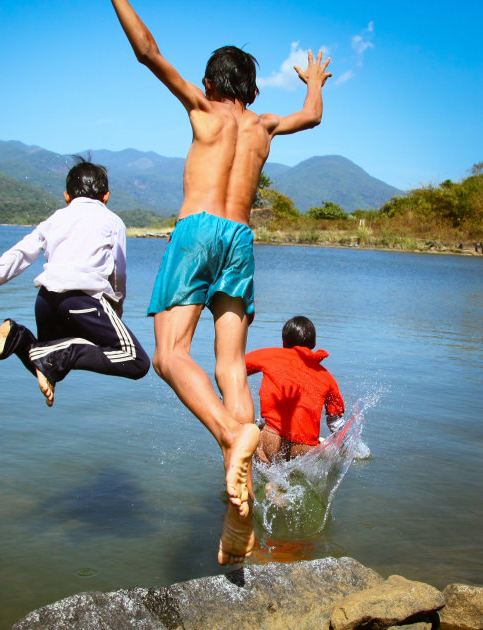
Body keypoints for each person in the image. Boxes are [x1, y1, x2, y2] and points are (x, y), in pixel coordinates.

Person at [110, 0, 332, 564]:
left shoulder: (203, 110)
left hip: (199, 232)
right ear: (252, 90)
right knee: (230, 367)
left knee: (167, 355)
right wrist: (313, 82)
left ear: (210, 83)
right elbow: (313, 117)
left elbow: (146, 52)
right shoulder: (264, 127)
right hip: (240, 240)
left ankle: (233, 437)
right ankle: (244, 496)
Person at [0, 158, 150, 406]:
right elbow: (119, 272)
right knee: (136, 361)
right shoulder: (112, 221)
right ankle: (60, 352)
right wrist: (117, 306)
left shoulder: (55, 219)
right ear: (106, 196)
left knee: (51, 366)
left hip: (46, 302)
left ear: (67, 196)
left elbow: (22, 253)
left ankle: (17, 337)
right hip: (83, 301)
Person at [246, 316, 345, 463]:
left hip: (271, 441)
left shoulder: (271, 355)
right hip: (306, 450)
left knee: (252, 432)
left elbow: (234, 367)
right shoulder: (327, 377)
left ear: (284, 342)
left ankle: (265, 465)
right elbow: (335, 423)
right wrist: (346, 447)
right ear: (314, 343)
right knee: (325, 447)